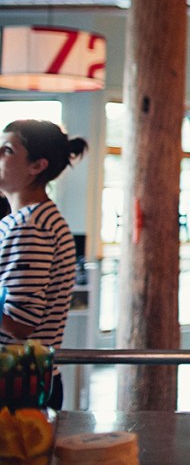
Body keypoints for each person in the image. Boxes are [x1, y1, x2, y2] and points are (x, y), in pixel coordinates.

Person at [0, 119, 87, 411]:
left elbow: (21, 324)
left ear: (37, 166)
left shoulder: (31, 226)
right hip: (23, 382)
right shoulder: (27, 220)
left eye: (7, 150)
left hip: (17, 386)